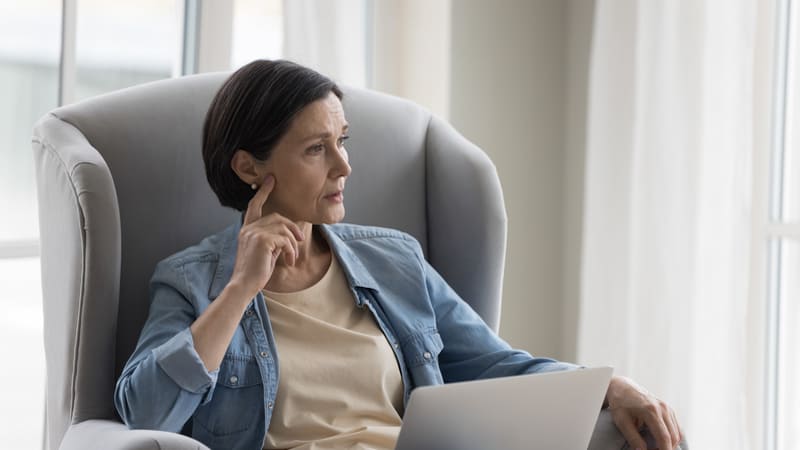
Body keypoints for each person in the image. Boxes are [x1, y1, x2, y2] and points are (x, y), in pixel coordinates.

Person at [114, 59, 684, 450]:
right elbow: (144, 413)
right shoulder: (191, 282)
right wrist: (241, 289)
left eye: (343, 141)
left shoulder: (394, 261)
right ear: (248, 167)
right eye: (317, 149)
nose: (343, 167)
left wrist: (611, 384)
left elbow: (499, 366)